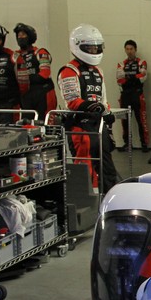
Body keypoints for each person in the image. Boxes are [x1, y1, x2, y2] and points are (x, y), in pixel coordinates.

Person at [57, 23, 119, 192]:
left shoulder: (98, 71)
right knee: (85, 167)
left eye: (96, 47)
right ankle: (87, 201)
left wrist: (106, 112)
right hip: (80, 126)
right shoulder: (69, 70)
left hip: (98, 125)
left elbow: (103, 99)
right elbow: (72, 101)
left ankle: (109, 196)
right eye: (89, 48)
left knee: (107, 165)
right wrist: (93, 106)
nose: (93, 51)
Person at [13, 22, 55, 120]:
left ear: (30, 36)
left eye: (23, 35)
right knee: (25, 122)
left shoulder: (40, 52)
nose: (20, 37)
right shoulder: (15, 55)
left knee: (44, 121)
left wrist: (24, 79)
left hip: (43, 93)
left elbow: (45, 74)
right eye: (18, 35)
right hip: (25, 94)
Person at [115, 39, 149, 151]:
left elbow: (143, 77)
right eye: (127, 49)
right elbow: (119, 80)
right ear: (125, 50)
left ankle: (144, 144)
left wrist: (128, 78)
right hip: (125, 95)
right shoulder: (121, 63)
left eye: (131, 49)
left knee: (141, 120)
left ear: (135, 50)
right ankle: (127, 144)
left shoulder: (141, 62)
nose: (129, 51)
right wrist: (135, 77)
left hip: (137, 94)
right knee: (124, 121)